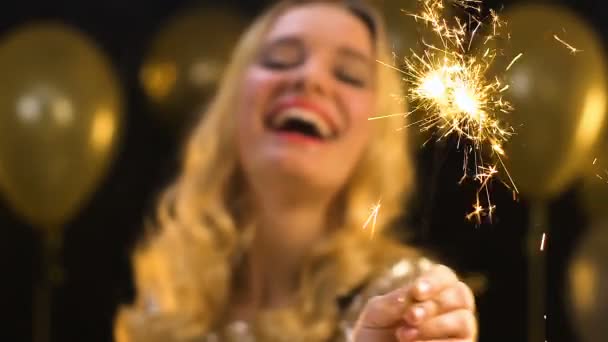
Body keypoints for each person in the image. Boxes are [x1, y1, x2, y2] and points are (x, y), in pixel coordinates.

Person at [114, 0, 477, 341]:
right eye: (280, 59)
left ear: (375, 136)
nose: (310, 79)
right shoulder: (166, 297)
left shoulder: (403, 302)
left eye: (349, 75)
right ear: (231, 106)